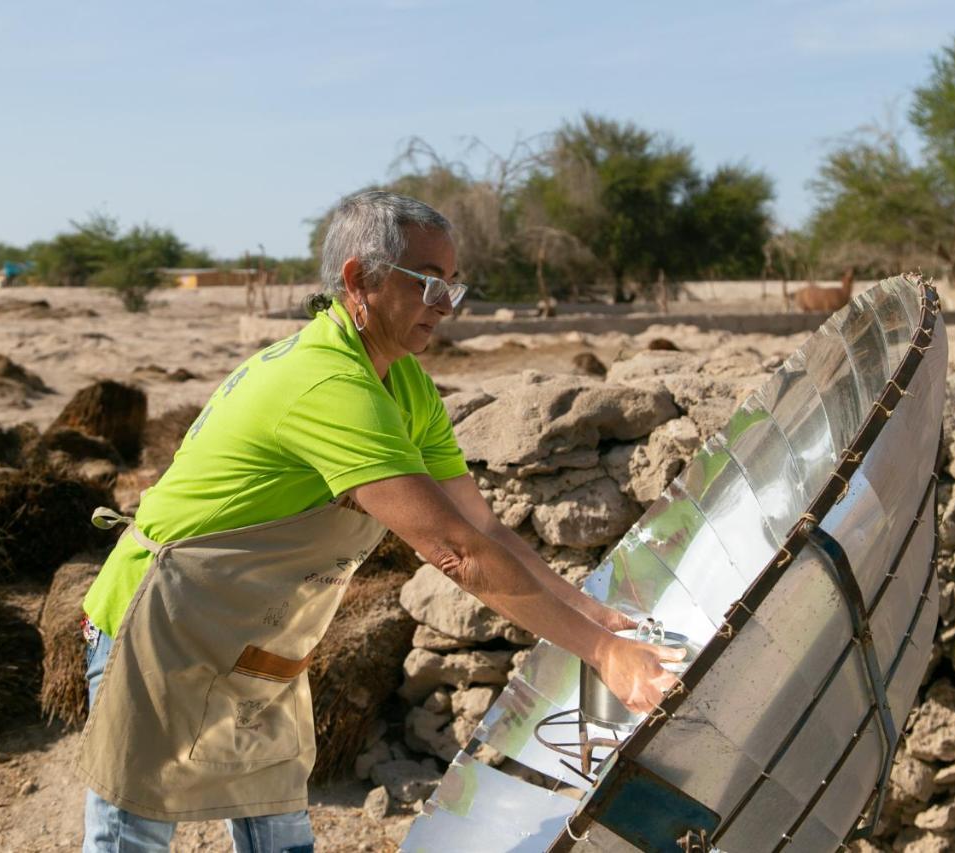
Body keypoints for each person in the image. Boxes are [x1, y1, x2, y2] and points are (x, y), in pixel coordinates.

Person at [76, 190, 683, 852]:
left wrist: (590, 614)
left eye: (454, 284)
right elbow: (456, 551)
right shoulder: (328, 384)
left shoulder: (407, 384)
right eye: (426, 282)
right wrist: (601, 655)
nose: (445, 303)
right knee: (132, 829)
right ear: (359, 279)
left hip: (251, 640)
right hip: (163, 624)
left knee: (273, 823)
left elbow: (483, 527)